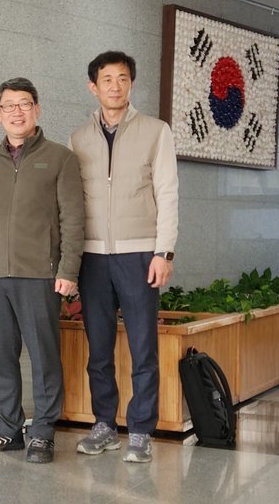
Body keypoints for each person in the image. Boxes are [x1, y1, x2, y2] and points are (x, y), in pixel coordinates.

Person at [0, 77, 84, 464]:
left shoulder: (60, 158)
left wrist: (68, 270)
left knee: (44, 357)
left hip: (40, 275)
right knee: (0, 356)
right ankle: (7, 429)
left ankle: (43, 433)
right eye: (9, 105)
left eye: (24, 104)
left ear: (37, 109)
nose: (17, 111)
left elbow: (73, 219)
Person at [69, 51, 178, 464]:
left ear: (131, 84)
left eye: (122, 79)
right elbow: (71, 203)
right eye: (107, 79)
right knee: (98, 350)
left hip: (140, 255)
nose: (115, 86)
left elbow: (167, 193)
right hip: (92, 257)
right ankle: (104, 425)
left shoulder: (155, 131)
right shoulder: (78, 138)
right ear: (93, 87)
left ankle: (141, 430)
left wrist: (163, 251)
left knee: (143, 347)